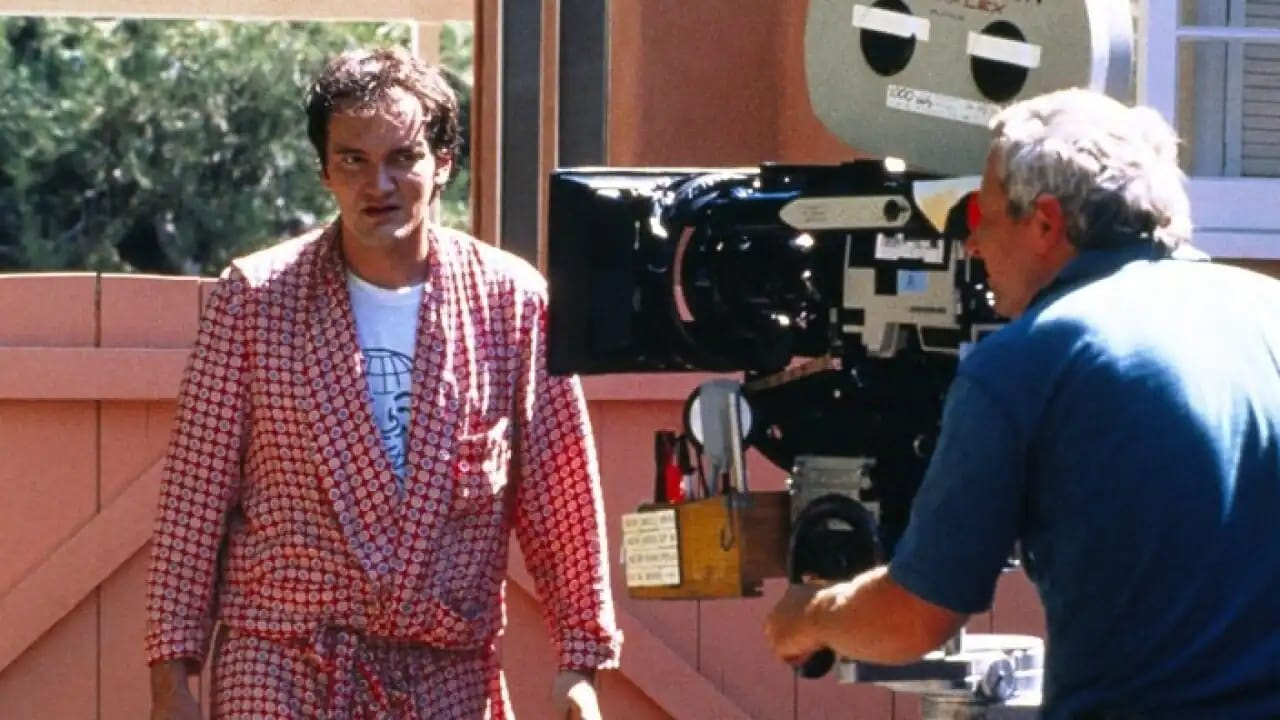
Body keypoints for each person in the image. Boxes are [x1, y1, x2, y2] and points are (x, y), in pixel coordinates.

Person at [765, 88, 1280, 719]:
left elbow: (913, 619)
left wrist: (812, 615)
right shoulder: (1268, 311)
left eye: (982, 214)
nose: (972, 244)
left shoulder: (1027, 359)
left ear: (1044, 222)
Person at [146, 46, 622, 719]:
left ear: (443, 164)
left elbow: (562, 496)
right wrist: (172, 680)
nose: (380, 185)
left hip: (443, 671)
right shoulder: (254, 301)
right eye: (353, 161)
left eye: (403, 157)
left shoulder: (510, 303)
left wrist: (580, 666)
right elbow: (193, 503)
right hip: (283, 662)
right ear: (324, 171)